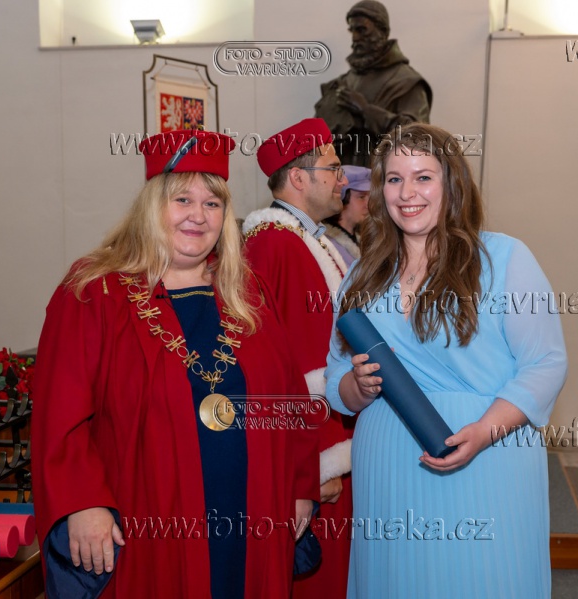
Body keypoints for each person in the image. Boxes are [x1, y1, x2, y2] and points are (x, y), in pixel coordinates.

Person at [32, 129, 320, 599]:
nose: (198, 215)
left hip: (256, 517)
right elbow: (59, 415)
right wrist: (81, 503)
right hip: (150, 521)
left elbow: (289, 400)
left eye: (212, 203)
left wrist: (301, 486)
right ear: (151, 206)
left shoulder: (249, 293)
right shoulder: (95, 293)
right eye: (182, 199)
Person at [325, 123, 568, 598]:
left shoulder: (503, 258)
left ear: (451, 183)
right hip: (388, 463)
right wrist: (357, 386)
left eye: (423, 177)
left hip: (488, 457)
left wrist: (485, 431)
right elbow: (337, 372)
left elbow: (546, 363)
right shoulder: (363, 273)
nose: (407, 193)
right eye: (394, 179)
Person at [242, 118, 354, 599]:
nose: (343, 179)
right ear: (299, 178)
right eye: (333, 168)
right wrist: (312, 467)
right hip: (315, 451)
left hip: (330, 438)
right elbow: (283, 372)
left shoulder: (311, 240)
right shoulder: (275, 245)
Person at [314, 0, 432, 166]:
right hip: (339, 179)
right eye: (352, 30)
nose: (355, 37)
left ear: (383, 31)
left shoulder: (406, 81)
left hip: (384, 177)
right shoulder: (342, 83)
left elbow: (418, 138)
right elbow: (318, 140)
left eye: (362, 30)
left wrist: (366, 110)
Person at [324, 165, 371, 267]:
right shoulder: (328, 245)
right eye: (361, 197)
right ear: (342, 199)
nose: (368, 205)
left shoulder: (361, 242)